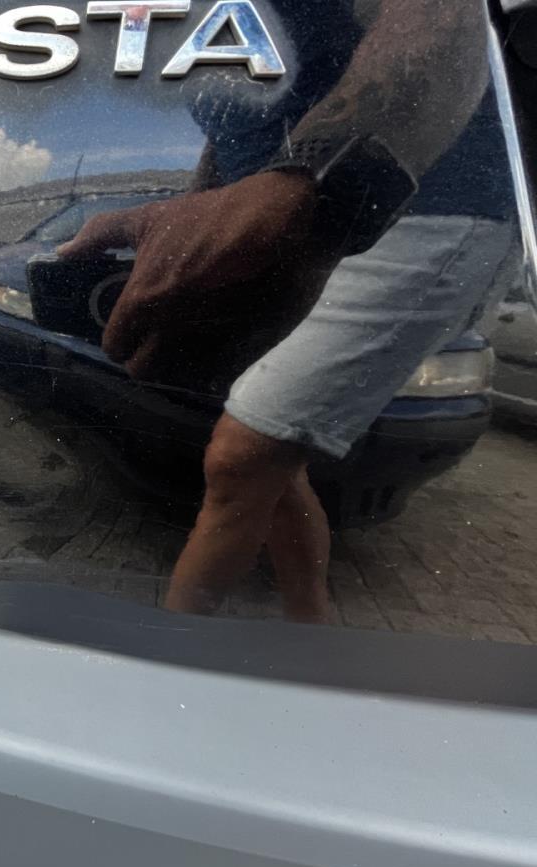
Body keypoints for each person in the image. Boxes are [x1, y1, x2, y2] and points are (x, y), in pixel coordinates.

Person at [58, 0, 516, 622]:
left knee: (239, 456)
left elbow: (439, 13)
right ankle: (311, 622)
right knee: (271, 465)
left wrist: (306, 181)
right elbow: (233, 136)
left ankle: (175, 649)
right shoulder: (189, 22)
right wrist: (198, 221)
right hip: (279, 238)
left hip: (413, 207)